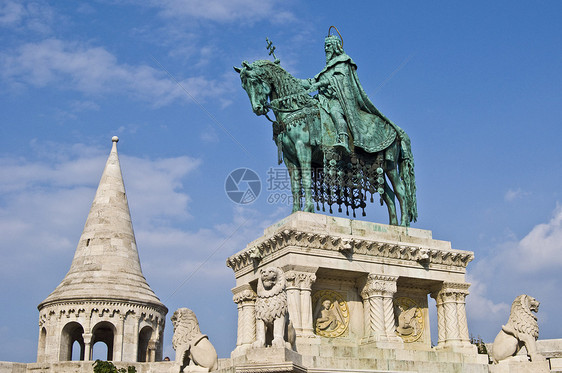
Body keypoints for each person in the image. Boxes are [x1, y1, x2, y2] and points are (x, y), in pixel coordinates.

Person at [303, 34, 397, 155]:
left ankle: (344, 141)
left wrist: (319, 85)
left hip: (339, 100)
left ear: (335, 46)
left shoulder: (343, 61)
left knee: (335, 112)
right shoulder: (326, 69)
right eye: (325, 46)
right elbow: (311, 81)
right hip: (322, 99)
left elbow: (339, 80)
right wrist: (291, 80)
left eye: (328, 45)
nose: (326, 49)